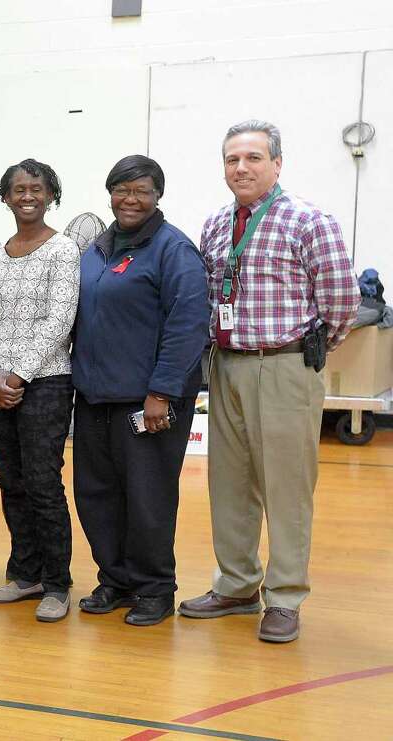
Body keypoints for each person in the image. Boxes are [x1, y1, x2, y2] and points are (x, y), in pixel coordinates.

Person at [179, 120, 359, 642]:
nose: (242, 168)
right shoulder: (215, 224)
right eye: (233, 159)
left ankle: (284, 597)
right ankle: (236, 585)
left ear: (277, 163)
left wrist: (308, 345)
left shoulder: (308, 221)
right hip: (226, 365)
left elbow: (342, 301)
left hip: (285, 366)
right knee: (228, 484)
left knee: (287, 486)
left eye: (254, 158)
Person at [70, 155, 209, 627]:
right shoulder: (96, 249)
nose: (131, 199)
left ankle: (154, 588)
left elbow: (188, 326)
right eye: (122, 189)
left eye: (142, 190)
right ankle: (116, 580)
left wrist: (162, 393)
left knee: (147, 498)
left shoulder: (174, 250)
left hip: (147, 402)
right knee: (96, 495)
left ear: (157, 197)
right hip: (92, 398)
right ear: (110, 192)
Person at [0, 159, 80, 622]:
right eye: (18, 189)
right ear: (6, 197)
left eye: (36, 188)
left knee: (42, 484)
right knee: (11, 483)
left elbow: (60, 321)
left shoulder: (64, 250)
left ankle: (57, 582)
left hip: (45, 385)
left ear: (51, 194)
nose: (27, 195)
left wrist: (16, 379)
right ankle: (25, 573)